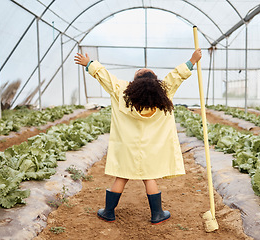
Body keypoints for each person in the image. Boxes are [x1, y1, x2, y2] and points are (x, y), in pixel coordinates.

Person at [74, 48, 202, 225]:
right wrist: (192, 61)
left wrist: (89, 64)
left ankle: (108, 212)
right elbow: (176, 76)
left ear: (134, 82)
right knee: (149, 176)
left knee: (121, 175)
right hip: (151, 147)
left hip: (127, 146)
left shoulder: (121, 91)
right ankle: (157, 214)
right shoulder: (163, 92)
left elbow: (104, 76)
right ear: (155, 82)